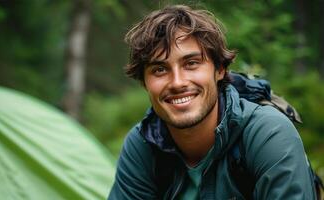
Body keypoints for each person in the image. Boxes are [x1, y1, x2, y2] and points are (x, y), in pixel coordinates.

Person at [108, 5, 316, 200]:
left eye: (191, 63)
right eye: (160, 69)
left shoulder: (267, 134)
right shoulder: (144, 144)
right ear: (145, 82)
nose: (177, 82)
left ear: (220, 70)